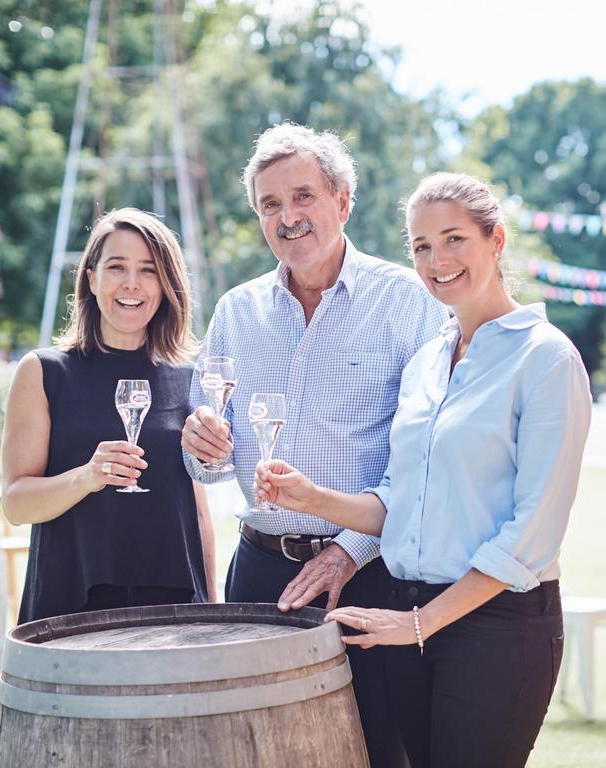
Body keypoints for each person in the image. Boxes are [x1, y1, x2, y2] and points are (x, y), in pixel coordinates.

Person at [255, 172, 592, 768]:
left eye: (454, 239)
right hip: (405, 614)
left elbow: (531, 534)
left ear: (496, 240)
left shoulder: (545, 358)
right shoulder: (428, 362)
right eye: (420, 246)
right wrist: (310, 499)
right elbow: (400, 502)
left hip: (497, 626)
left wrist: (419, 624)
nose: (437, 260)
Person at [181, 124, 448, 767]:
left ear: (343, 201)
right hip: (260, 570)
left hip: (372, 571)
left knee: (378, 748)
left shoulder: (409, 300)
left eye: (302, 196)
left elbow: (428, 453)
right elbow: (204, 454)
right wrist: (201, 442)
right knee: (256, 749)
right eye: (270, 204)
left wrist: (350, 551)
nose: (288, 216)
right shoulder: (236, 312)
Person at [2, 208, 216, 624]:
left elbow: (197, 509)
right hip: (70, 609)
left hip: (173, 612)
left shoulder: (190, 378)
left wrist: (211, 608)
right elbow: (15, 505)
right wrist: (86, 477)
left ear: (166, 284)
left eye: (148, 270)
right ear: (91, 278)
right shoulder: (43, 372)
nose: (131, 284)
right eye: (116, 267)